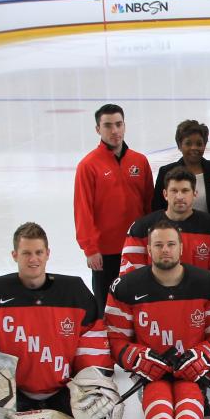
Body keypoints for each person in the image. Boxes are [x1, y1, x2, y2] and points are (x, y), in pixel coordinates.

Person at [0, 222, 121, 419]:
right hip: (14, 394)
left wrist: (92, 382)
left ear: (47, 254)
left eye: (38, 252)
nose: (33, 259)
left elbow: (92, 341)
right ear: (15, 255)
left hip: (63, 392)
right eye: (26, 253)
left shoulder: (74, 293)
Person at [105, 219, 210, 419]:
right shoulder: (126, 288)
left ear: (181, 249)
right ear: (148, 250)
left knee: (189, 388)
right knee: (157, 389)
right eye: (158, 245)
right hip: (151, 371)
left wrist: (204, 356)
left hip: (191, 369)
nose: (165, 250)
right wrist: (138, 357)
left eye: (171, 244)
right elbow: (115, 338)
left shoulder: (209, 285)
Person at [74, 103, 153, 314]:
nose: (114, 130)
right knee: (106, 307)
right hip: (105, 252)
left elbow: (149, 206)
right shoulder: (88, 165)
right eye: (108, 125)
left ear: (125, 126)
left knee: (138, 302)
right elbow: (83, 210)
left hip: (136, 248)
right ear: (98, 129)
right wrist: (90, 249)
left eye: (118, 124)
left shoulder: (140, 161)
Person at [120, 167, 210, 287]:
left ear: (195, 194)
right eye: (174, 191)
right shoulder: (141, 228)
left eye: (185, 190)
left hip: (200, 301)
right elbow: (130, 277)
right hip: (154, 302)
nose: (179, 196)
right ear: (165, 194)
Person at [151, 119, 210, 225]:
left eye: (199, 144)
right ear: (179, 145)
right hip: (176, 236)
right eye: (188, 143)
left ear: (204, 145)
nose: (194, 148)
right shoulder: (166, 172)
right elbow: (158, 209)